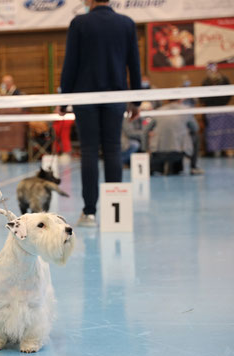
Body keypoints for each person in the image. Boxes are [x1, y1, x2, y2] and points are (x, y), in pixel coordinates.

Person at [59, 0, 141, 227]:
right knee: (113, 149)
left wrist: (64, 98)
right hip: (115, 98)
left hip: (85, 98)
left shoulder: (79, 23)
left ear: (89, 1)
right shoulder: (126, 23)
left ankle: (90, 213)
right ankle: (117, 213)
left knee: (89, 152)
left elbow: (70, 63)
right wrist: (136, 100)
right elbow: (134, 63)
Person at [148, 99, 202, 175]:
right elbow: (196, 128)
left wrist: (145, 150)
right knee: (195, 136)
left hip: (158, 152)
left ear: (167, 101)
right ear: (180, 100)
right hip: (179, 152)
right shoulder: (186, 110)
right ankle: (194, 167)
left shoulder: (158, 111)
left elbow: (146, 130)